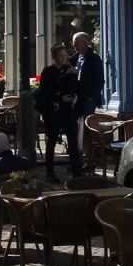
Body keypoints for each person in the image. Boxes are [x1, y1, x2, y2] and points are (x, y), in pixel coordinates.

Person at [36, 43, 82, 179]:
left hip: (68, 109)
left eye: (65, 56)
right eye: (60, 56)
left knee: (72, 139)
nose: (63, 58)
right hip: (53, 110)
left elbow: (73, 86)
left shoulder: (70, 69)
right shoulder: (48, 71)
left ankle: (77, 172)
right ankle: (50, 172)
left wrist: (73, 95)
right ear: (54, 57)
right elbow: (45, 91)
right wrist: (60, 97)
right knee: (52, 140)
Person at [71, 31, 106, 167]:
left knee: (86, 128)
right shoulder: (75, 58)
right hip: (77, 99)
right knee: (78, 129)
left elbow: (99, 80)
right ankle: (80, 157)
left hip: (88, 99)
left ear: (84, 43)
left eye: (76, 43)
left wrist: (92, 95)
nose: (74, 46)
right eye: (73, 43)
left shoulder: (94, 59)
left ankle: (88, 158)